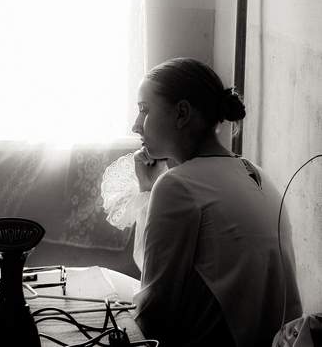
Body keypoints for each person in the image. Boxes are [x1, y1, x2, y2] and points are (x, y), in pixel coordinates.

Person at [124, 57, 301, 347]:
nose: (135, 125)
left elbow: (153, 310)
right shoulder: (256, 173)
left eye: (144, 110)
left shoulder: (177, 186)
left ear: (182, 113)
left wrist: (148, 189)